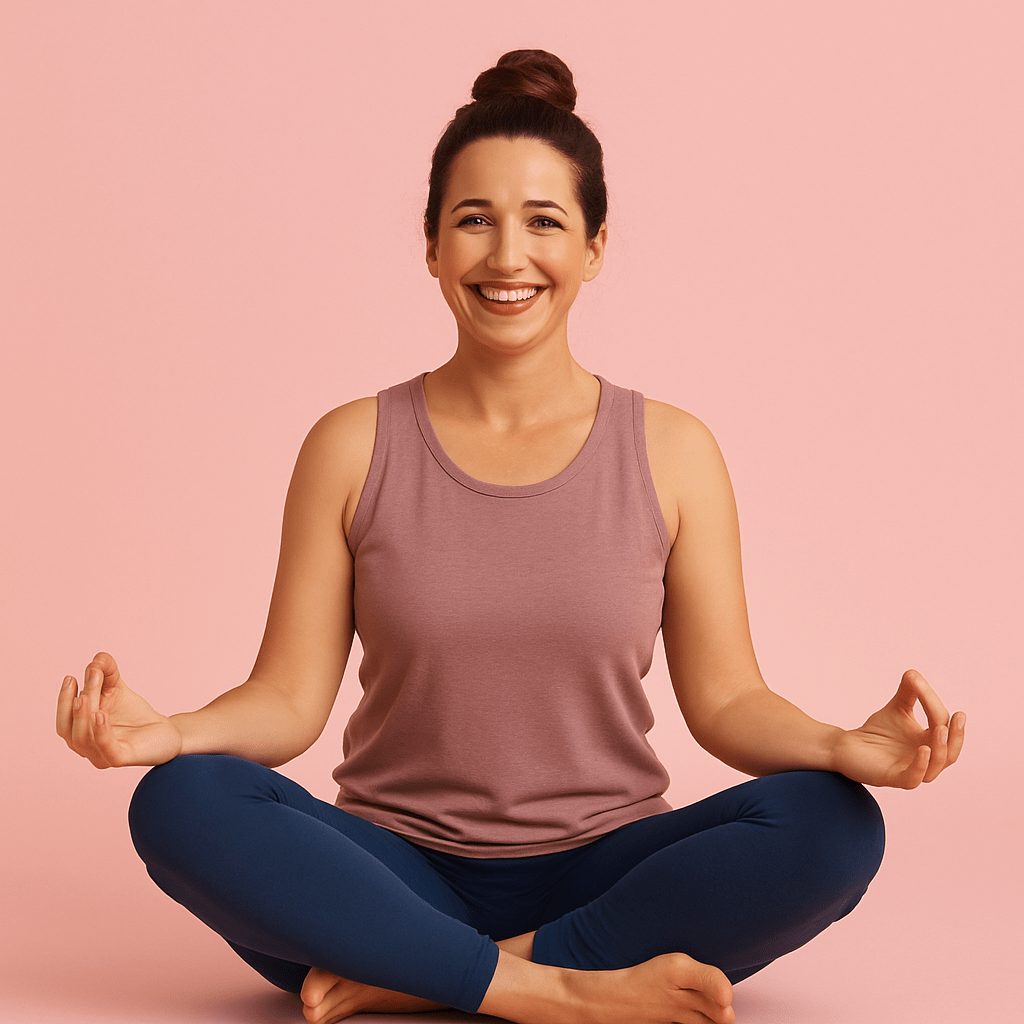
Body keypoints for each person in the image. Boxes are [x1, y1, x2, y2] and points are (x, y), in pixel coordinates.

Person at [56, 49, 966, 1024]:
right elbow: (286, 698)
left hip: (606, 878)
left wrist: (838, 742)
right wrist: (170, 733)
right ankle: (556, 991)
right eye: (474, 221)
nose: (505, 256)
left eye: (543, 222)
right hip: (388, 872)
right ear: (432, 245)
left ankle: (418, 974)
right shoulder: (351, 445)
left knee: (831, 823)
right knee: (181, 801)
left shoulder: (673, 451)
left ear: (595, 246)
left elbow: (727, 698)